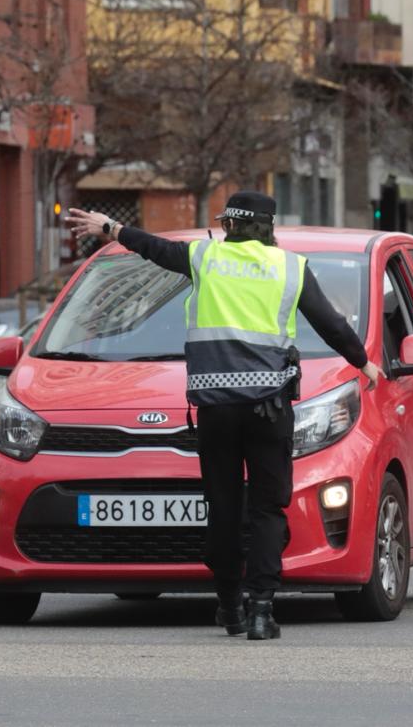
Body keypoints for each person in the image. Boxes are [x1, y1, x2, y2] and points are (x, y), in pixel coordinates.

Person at [64, 193, 380, 641]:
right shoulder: (289, 267)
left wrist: (110, 228)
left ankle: (230, 605)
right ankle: (261, 611)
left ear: (228, 225)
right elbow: (330, 324)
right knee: (268, 508)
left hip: (215, 408)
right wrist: (364, 363)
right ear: (268, 227)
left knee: (224, 507)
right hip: (268, 407)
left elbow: (153, 248)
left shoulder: (205, 257)